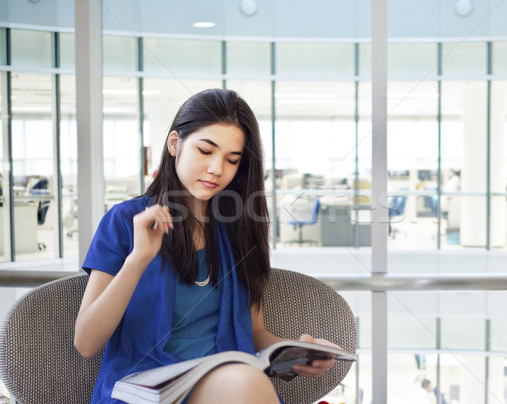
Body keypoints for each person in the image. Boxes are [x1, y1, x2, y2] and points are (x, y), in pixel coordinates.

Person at [74, 89, 337, 403]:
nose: (217, 169)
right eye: (205, 150)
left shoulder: (240, 229)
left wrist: (294, 352)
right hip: (147, 390)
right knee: (243, 381)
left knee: (243, 380)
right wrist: (139, 259)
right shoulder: (126, 220)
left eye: (232, 159)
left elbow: (253, 333)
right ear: (175, 144)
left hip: (226, 384)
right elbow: (86, 342)